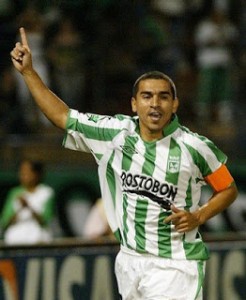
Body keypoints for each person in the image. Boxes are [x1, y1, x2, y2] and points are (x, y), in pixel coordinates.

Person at [10, 27, 238, 299]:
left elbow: (228, 188)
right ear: (134, 104)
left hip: (175, 264)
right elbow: (63, 117)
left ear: (175, 104)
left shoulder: (194, 146)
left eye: (163, 97)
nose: (155, 104)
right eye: (147, 96)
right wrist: (29, 73)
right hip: (129, 261)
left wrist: (199, 215)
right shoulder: (115, 133)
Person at [0, 158, 55, 245]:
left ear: (37, 174)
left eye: (27, 172)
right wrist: (20, 208)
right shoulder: (14, 193)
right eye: (21, 172)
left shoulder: (46, 192)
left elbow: (45, 221)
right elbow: (5, 221)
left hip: (38, 241)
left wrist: (28, 206)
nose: (23, 175)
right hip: (14, 241)